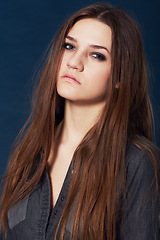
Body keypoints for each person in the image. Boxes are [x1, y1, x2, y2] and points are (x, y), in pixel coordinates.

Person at [0, 2, 159, 240]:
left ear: (120, 76)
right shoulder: (30, 150)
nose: (74, 62)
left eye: (97, 55)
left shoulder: (136, 163)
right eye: (69, 46)